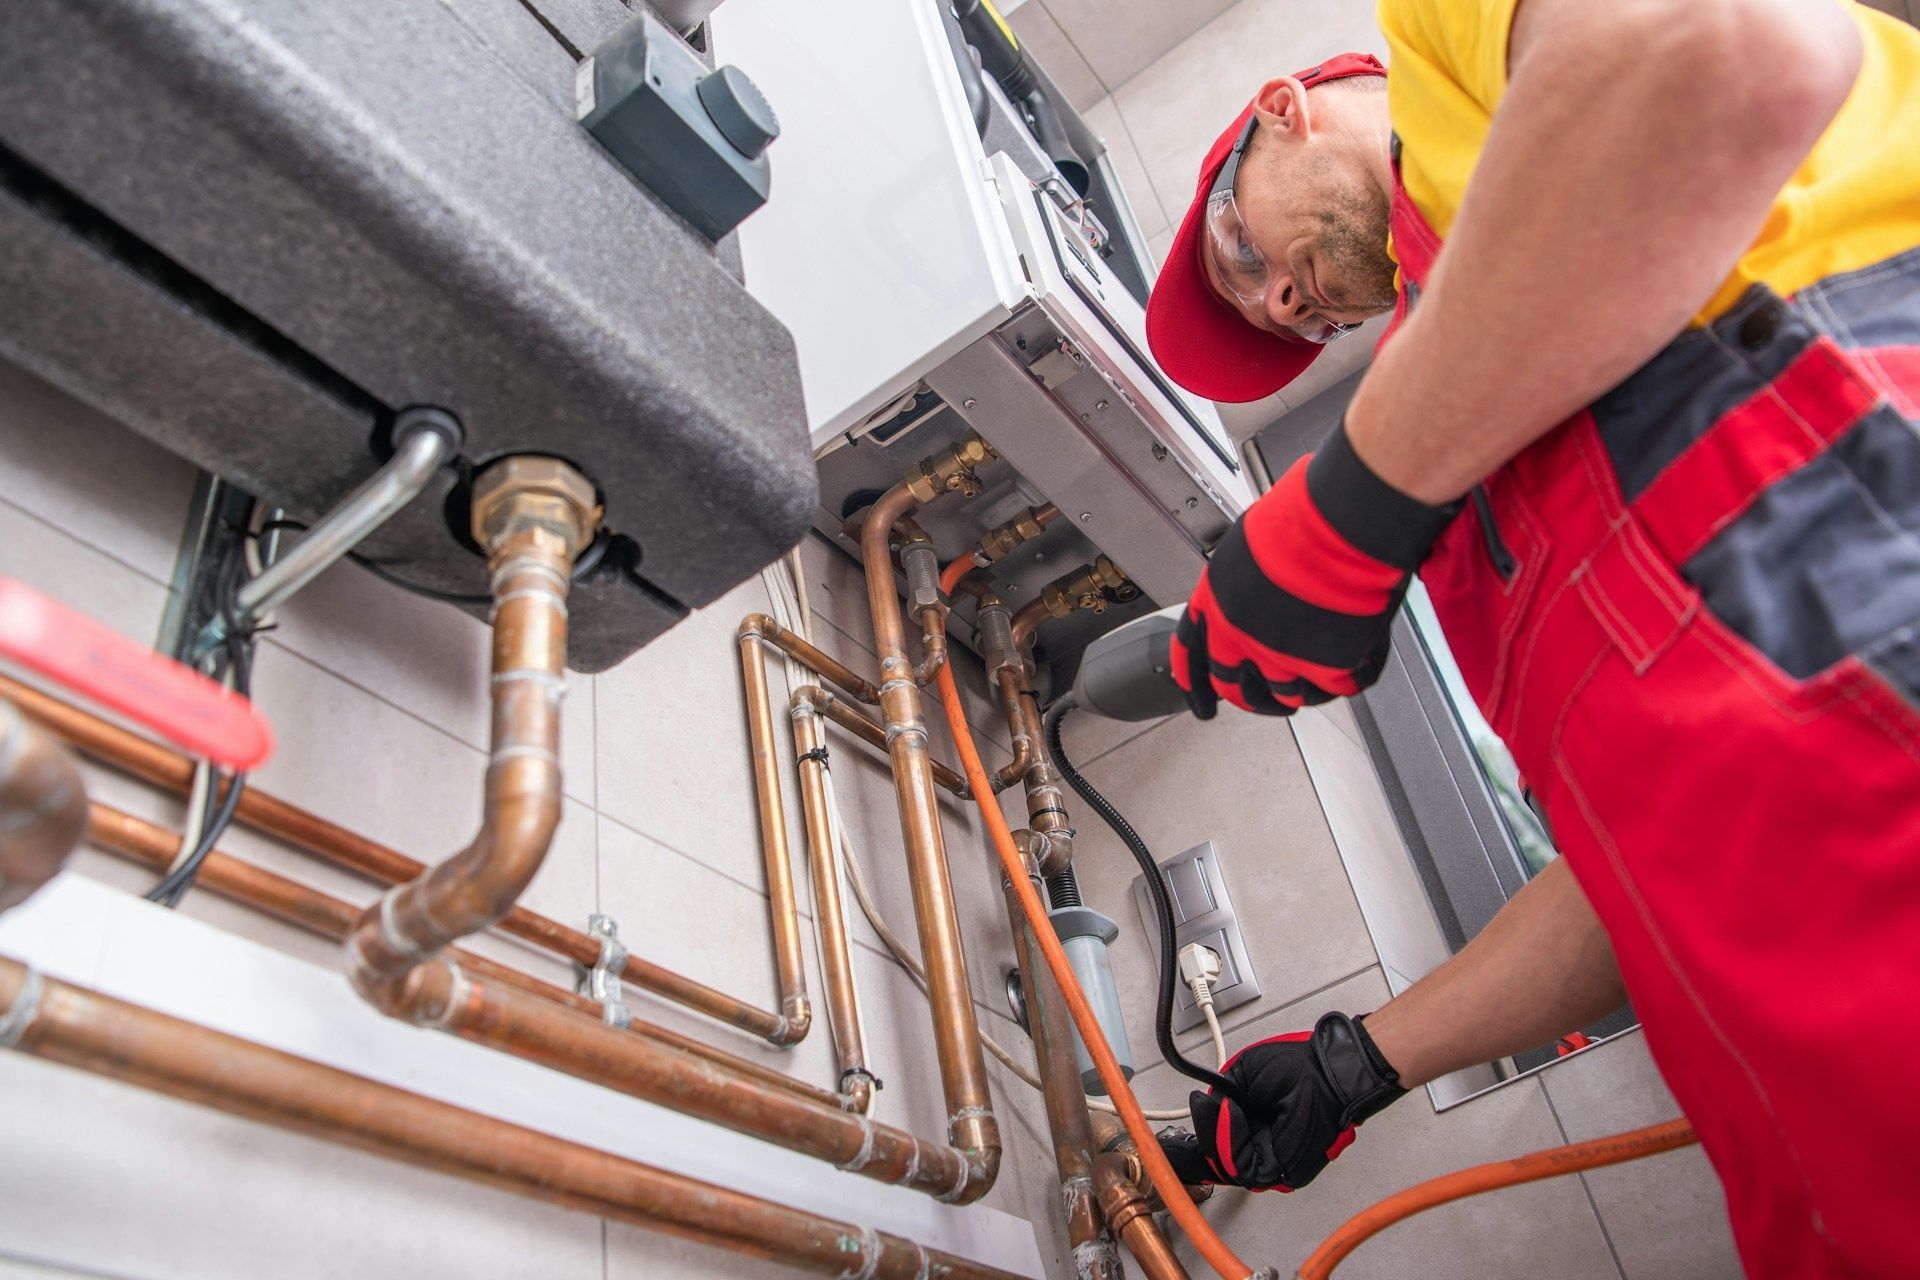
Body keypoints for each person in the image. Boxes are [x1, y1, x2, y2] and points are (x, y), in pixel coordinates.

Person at [1140, 2, 1920, 1276]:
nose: (1281, 297)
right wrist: (1362, 1059)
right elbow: (1648, 864)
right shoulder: (1483, 461)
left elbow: (1726, 55)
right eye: (1289, 322)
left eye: (1241, 247)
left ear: (1282, 110)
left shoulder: (1454, 36)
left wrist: (1351, 503)